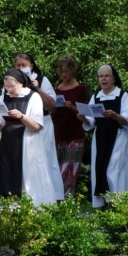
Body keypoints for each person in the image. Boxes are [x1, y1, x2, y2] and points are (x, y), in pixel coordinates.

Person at [0, 68, 56, 206]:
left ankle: (32, 209)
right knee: (6, 174)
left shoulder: (33, 97)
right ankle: (7, 210)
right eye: (6, 87)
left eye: (12, 86)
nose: (9, 90)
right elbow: (0, 127)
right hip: (7, 143)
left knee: (27, 176)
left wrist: (22, 116)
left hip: (27, 143)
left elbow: (37, 126)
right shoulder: (2, 98)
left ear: (21, 83)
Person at [77, 65, 128, 208]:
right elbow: (91, 120)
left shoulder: (122, 95)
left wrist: (115, 115)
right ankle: (105, 203)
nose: (103, 78)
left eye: (107, 76)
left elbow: (127, 119)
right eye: (101, 76)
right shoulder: (96, 96)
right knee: (100, 168)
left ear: (114, 78)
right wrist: (84, 118)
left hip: (118, 135)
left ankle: (116, 201)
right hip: (101, 136)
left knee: (113, 169)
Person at [13, 52, 64, 202]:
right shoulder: (13, 81)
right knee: (27, 160)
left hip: (43, 124)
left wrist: (37, 89)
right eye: (18, 65)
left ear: (31, 66)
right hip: (21, 126)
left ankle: (54, 198)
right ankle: (28, 197)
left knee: (46, 160)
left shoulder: (42, 79)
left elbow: (52, 105)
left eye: (24, 65)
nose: (21, 68)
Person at [51, 55, 88, 197]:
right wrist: (53, 108)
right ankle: (57, 202)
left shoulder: (80, 89)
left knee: (69, 172)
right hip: (58, 134)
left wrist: (71, 107)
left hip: (75, 135)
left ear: (73, 70)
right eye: (62, 71)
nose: (64, 74)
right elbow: (52, 113)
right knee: (57, 170)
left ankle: (68, 203)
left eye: (67, 71)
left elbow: (85, 112)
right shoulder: (56, 89)